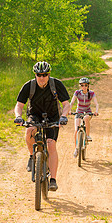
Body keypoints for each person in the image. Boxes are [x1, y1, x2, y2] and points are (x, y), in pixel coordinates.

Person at [14, 61, 70, 191]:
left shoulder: (56, 84)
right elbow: (19, 105)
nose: (42, 77)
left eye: (45, 74)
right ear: (35, 74)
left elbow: (66, 104)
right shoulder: (29, 86)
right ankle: (31, 156)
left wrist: (63, 117)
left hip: (53, 117)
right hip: (35, 115)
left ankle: (53, 180)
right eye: (39, 74)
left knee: (51, 144)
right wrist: (18, 116)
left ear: (48, 74)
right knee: (29, 131)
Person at [70, 77, 99, 158]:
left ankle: (87, 135)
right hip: (79, 111)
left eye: (85, 85)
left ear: (88, 86)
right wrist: (69, 110)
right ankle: (76, 148)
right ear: (80, 86)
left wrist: (96, 111)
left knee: (86, 118)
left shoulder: (91, 93)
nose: (84, 87)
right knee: (76, 129)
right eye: (82, 85)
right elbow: (72, 102)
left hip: (88, 112)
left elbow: (96, 104)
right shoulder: (77, 93)